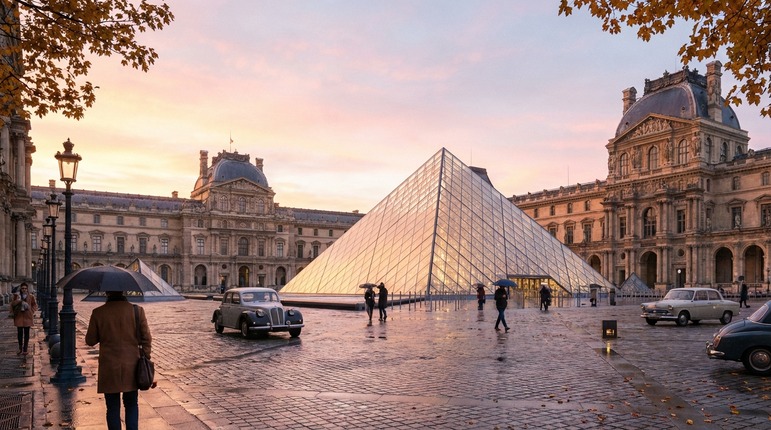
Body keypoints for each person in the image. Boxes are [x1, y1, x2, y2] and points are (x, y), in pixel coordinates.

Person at [85, 291, 153, 430]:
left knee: (112, 408)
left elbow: (90, 340)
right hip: (132, 366)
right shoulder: (137, 311)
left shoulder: (98, 312)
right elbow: (147, 338)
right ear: (124, 292)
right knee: (132, 404)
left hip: (109, 367)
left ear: (107, 293)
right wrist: (145, 357)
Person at [11, 283, 37, 355]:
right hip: (19, 316)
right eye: (23, 288)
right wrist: (18, 301)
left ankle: (25, 349)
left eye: (25, 288)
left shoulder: (31, 296)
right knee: (19, 333)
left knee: (26, 333)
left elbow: (34, 304)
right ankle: (20, 348)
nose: (24, 290)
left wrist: (31, 311)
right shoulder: (17, 296)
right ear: (21, 289)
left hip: (27, 317)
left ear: (27, 289)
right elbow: (12, 304)